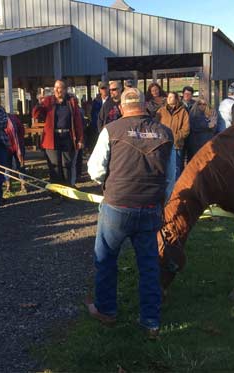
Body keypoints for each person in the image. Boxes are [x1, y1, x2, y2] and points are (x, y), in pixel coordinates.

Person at [86, 88, 175, 338]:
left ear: (122, 107)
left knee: (105, 260)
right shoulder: (165, 133)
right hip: (149, 209)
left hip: (117, 207)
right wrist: (159, 200)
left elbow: (94, 170)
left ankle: (106, 311)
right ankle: (150, 322)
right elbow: (170, 178)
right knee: (149, 267)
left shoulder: (111, 130)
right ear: (145, 106)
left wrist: (110, 183)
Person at [32, 80, 84, 186]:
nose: (56, 90)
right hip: (52, 138)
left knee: (67, 165)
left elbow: (78, 122)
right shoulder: (48, 101)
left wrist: (80, 139)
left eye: (59, 87)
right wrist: (39, 103)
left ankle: (67, 190)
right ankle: (56, 192)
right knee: (54, 166)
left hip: (67, 137)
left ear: (65, 89)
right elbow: (36, 115)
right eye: (55, 87)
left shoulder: (71, 102)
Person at [156, 91, 189, 179]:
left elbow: (186, 129)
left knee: (176, 169)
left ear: (176, 99)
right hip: (163, 144)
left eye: (171, 97)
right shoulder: (161, 111)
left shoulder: (183, 112)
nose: (169, 99)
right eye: (168, 97)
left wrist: (175, 137)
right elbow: (156, 125)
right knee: (164, 168)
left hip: (176, 144)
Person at [4, 113, 27, 193]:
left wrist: (19, 142)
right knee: (7, 166)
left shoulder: (14, 118)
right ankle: (8, 185)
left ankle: (23, 184)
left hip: (18, 145)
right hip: (6, 147)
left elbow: (22, 130)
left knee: (20, 165)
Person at [89, 82, 109, 151]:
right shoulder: (96, 101)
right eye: (102, 88)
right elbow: (92, 114)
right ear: (99, 90)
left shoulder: (111, 101)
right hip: (97, 129)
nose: (104, 90)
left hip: (109, 128)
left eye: (105, 88)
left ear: (108, 89)